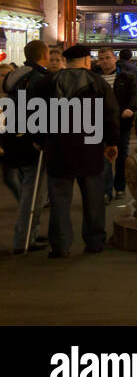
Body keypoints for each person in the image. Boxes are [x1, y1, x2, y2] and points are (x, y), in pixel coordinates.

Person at [33, 43, 119, 257]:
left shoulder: (49, 82)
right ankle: (95, 242)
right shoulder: (98, 83)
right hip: (91, 148)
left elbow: (33, 112)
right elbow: (110, 114)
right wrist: (112, 142)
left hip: (58, 147)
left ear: (66, 61)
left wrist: (40, 139)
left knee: (59, 201)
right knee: (94, 198)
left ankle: (60, 246)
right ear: (87, 61)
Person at [2, 41, 51, 254]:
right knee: (32, 192)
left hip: (13, 137)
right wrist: (40, 138)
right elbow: (39, 112)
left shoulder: (16, 77)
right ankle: (24, 238)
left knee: (25, 188)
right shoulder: (40, 79)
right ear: (44, 54)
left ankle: (29, 231)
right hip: (31, 141)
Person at [95, 47, 137, 201]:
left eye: (107, 58)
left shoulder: (126, 77)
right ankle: (106, 190)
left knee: (121, 155)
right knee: (104, 157)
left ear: (114, 58)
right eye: (101, 59)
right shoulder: (94, 78)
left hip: (122, 123)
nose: (104, 62)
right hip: (100, 124)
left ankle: (120, 186)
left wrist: (130, 108)